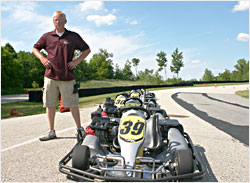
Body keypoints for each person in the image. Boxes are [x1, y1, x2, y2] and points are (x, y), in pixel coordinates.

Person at [33, 11, 91, 141]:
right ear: (52, 22)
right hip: (50, 76)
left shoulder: (73, 36)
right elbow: (35, 48)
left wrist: (76, 61)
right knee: (50, 104)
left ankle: (79, 130)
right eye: (55, 20)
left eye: (60, 20)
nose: (58, 22)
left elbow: (87, 50)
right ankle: (51, 131)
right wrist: (42, 58)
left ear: (65, 21)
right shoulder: (47, 36)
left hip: (67, 76)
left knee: (73, 104)